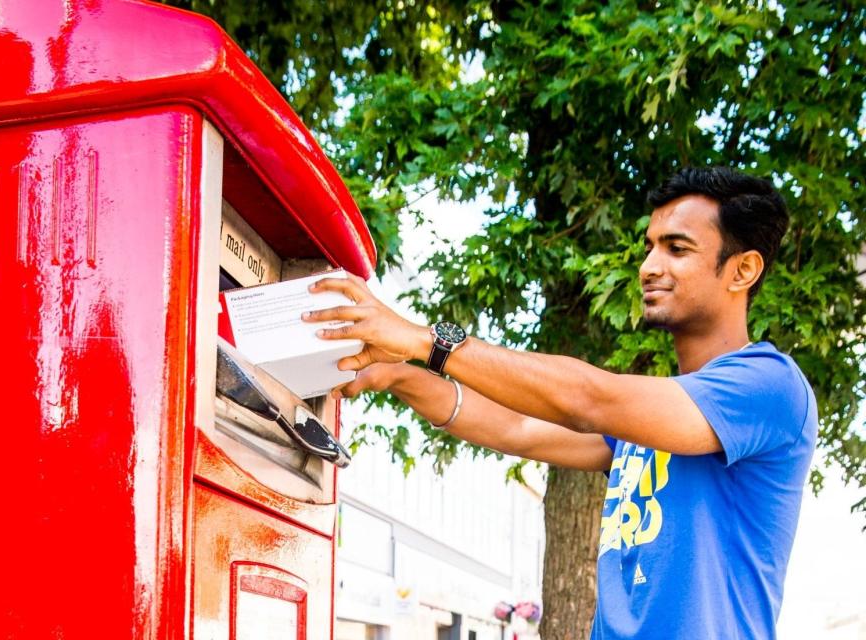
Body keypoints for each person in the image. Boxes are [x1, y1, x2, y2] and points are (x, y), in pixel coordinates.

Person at [303, 167, 817, 639]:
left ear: (743, 270)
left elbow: (587, 399)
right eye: (650, 247)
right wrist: (398, 376)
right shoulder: (654, 415)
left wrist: (426, 341)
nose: (649, 266)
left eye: (676, 249)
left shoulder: (768, 386)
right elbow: (516, 429)